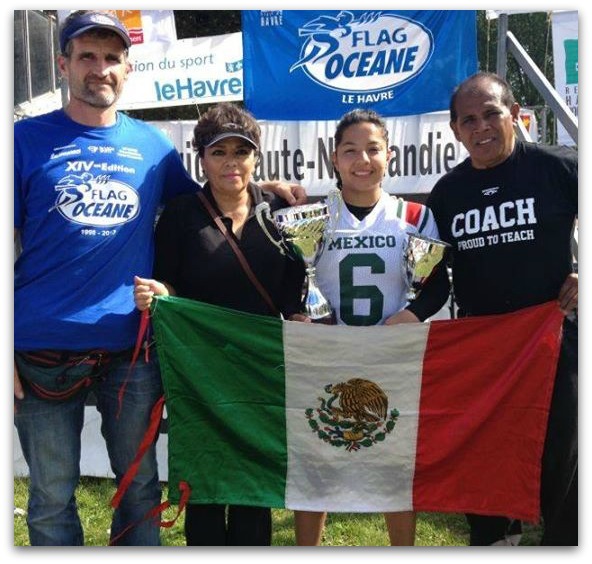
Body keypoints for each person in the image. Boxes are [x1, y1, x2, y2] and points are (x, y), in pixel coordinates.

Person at [13, 10, 305, 546]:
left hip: (133, 350)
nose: (100, 68)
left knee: (141, 491)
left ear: (127, 69)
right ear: (63, 64)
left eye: (112, 58)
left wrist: (264, 188)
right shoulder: (20, 141)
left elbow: (213, 197)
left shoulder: (154, 149)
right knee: (52, 497)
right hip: (41, 352)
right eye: (87, 56)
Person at [391, 72, 578, 546]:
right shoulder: (447, 194)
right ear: (455, 130)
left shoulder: (561, 167)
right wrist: (410, 316)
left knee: (562, 464)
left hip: (553, 343)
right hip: (483, 354)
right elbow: (433, 277)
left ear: (515, 115)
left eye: (492, 114)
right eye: (469, 120)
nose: (482, 127)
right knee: (486, 463)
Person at [133, 102, 306, 546]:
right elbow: (169, 280)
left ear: (256, 157)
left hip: (261, 367)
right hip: (200, 371)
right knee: (205, 480)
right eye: (219, 152)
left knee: (254, 480)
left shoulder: (279, 210)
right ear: (202, 159)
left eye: (241, 151)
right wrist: (161, 292)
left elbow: (295, 283)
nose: (232, 162)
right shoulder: (180, 215)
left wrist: (300, 312)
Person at [292, 108, 442, 546]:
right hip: (326, 358)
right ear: (334, 159)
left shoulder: (413, 216)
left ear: (389, 155)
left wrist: (412, 315)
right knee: (316, 464)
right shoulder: (313, 218)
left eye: (373, 149)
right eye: (350, 150)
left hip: (391, 357)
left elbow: (435, 285)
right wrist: (301, 315)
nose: (363, 160)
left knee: (394, 465)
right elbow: (291, 282)